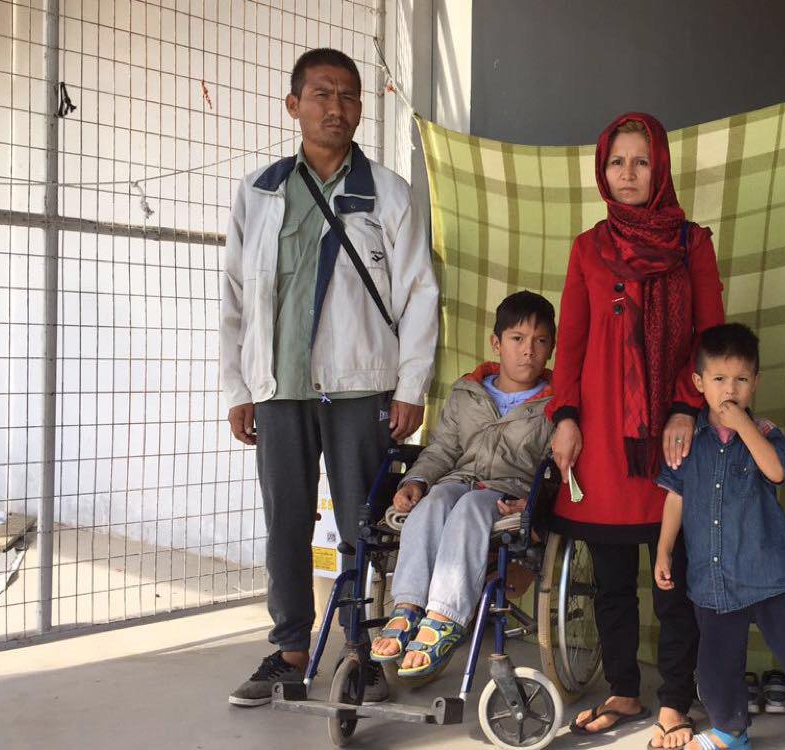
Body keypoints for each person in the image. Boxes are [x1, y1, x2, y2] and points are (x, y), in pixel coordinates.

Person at [220, 48, 439, 706]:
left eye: (348, 96)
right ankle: (288, 650)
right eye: (321, 94)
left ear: (361, 109)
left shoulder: (388, 193)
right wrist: (239, 388)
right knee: (284, 518)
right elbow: (234, 296)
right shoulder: (258, 193)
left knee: (362, 523)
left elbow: (420, 293)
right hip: (280, 388)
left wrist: (409, 387)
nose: (336, 107)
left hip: (359, 386)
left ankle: (363, 651)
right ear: (294, 106)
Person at [549, 112, 725, 749]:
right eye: (617, 162)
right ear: (603, 169)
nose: (628, 174)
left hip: (674, 439)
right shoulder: (587, 247)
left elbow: (710, 340)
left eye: (641, 161)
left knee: (675, 575)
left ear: (662, 168)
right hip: (601, 438)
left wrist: (685, 405)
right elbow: (570, 344)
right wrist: (564, 417)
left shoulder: (692, 244)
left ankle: (676, 698)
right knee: (613, 577)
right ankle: (624, 689)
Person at [654, 323, 785, 750]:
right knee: (716, 664)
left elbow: (776, 471)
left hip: (771, 573)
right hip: (713, 577)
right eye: (720, 379)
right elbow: (675, 497)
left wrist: (742, 423)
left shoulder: (764, 433)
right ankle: (730, 730)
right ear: (698, 383)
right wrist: (664, 550)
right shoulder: (688, 441)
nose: (730, 389)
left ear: (755, 383)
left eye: (741, 380)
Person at [369, 291, 556, 678]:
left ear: (551, 347)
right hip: (459, 481)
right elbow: (442, 449)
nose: (528, 352)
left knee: (470, 507)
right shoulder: (468, 392)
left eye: (540, 341)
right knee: (434, 501)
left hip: (509, 491)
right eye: (517, 339)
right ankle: (407, 606)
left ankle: (445, 616)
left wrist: (536, 506)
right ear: (497, 343)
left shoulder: (555, 404)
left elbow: (556, 467)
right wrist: (416, 480)